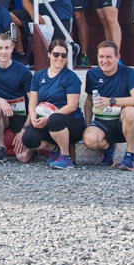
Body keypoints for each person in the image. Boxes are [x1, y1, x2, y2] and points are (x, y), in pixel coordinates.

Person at [20, 38, 86, 170]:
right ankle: (54, 149)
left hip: (70, 123)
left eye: (63, 55)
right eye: (56, 54)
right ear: (49, 54)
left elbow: (72, 106)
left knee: (55, 119)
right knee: (28, 138)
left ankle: (65, 157)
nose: (60, 58)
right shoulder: (38, 76)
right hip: (47, 122)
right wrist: (33, 118)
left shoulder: (71, 77)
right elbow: (33, 101)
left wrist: (48, 118)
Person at [82, 41, 134, 171]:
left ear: (117, 57)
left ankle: (129, 157)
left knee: (131, 112)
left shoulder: (128, 73)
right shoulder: (92, 74)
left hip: (122, 122)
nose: (104, 61)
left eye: (109, 57)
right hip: (102, 122)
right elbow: (89, 101)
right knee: (90, 140)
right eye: (101, 57)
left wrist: (112, 101)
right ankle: (109, 147)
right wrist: (87, 124)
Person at [0, 33, 34, 163]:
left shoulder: (23, 71)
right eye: (0, 48)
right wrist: (1, 101)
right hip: (4, 114)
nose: (3, 52)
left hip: (21, 114)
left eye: (6, 48)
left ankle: (30, 144)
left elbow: (33, 102)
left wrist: (24, 130)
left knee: (23, 158)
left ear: (12, 48)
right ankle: (1, 147)